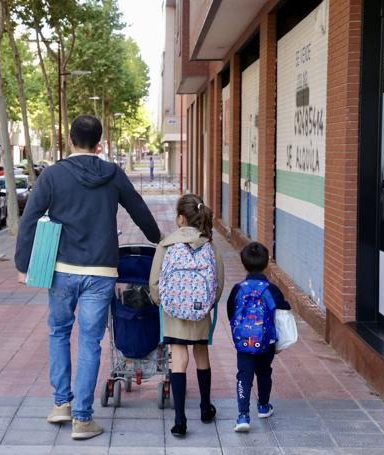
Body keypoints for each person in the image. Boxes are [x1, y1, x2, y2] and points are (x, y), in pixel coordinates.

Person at [15, 115, 161, 440]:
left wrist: (23, 265)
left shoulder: (52, 175)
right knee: (90, 341)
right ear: (99, 142)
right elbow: (138, 208)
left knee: (58, 332)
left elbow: (30, 219)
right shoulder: (112, 174)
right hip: (101, 270)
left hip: (62, 269)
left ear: (69, 139)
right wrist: (158, 239)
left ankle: (60, 405)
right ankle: (83, 419)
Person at [149, 194, 224, 437]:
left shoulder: (166, 244)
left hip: (173, 313)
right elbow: (219, 282)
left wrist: (164, 302)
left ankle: (180, 420)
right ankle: (205, 408)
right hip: (200, 310)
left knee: (179, 358)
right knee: (201, 354)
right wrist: (208, 304)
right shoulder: (209, 245)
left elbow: (154, 282)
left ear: (180, 218)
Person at [227, 242, 290, 432]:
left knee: (243, 376)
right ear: (266, 263)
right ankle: (263, 406)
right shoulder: (271, 290)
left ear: (243, 263)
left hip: (244, 342)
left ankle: (243, 416)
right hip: (266, 341)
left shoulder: (238, 289)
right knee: (264, 372)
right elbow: (283, 308)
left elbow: (231, 311)